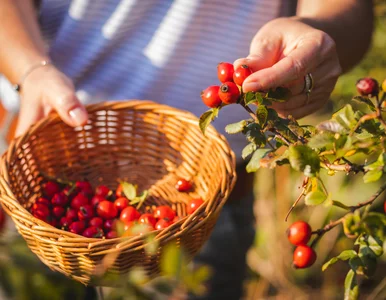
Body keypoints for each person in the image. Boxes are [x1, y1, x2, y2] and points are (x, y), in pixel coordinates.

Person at [0, 0, 373, 299]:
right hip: (43, 177)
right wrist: (30, 69)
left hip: (206, 214)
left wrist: (317, 38)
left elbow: (350, 13)